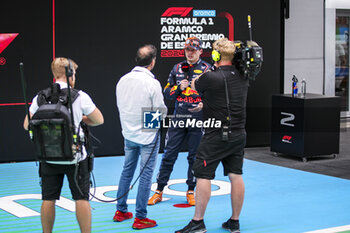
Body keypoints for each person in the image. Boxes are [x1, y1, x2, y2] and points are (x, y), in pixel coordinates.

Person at [175, 38, 249, 233]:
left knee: (202, 175)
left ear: (216, 56)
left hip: (216, 135)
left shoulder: (210, 77)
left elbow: (194, 83)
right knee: (236, 175)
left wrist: (210, 70)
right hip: (239, 133)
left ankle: (198, 222)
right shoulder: (243, 75)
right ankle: (235, 221)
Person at [23, 57, 104, 233]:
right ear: (71, 74)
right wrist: (81, 118)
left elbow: (26, 124)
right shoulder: (80, 96)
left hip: (48, 156)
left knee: (48, 199)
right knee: (81, 199)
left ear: (53, 75)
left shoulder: (40, 97)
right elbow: (99, 120)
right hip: (75, 158)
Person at [148, 37, 211, 206]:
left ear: (200, 51)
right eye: (187, 50)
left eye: (193, 50)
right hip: (178, 118)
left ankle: (191, 191)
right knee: (169, 154)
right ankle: (159, 190)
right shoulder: (177, 68)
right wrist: (179, 88)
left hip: (197, 120)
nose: (190, 53)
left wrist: (204, 103)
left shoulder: (207, 69)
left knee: (194, 156)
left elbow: (213, 96)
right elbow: (167, 93)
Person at [113, 44, 167, 230]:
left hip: (128, 132)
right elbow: (160, 111)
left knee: (127, 171)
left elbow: (122, 107)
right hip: (147, 135)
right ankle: (141, 217)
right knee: (145, 175)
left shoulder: (122, 80)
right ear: (152, 62)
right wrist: (149, 126)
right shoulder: (152, 83)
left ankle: (120, 211)